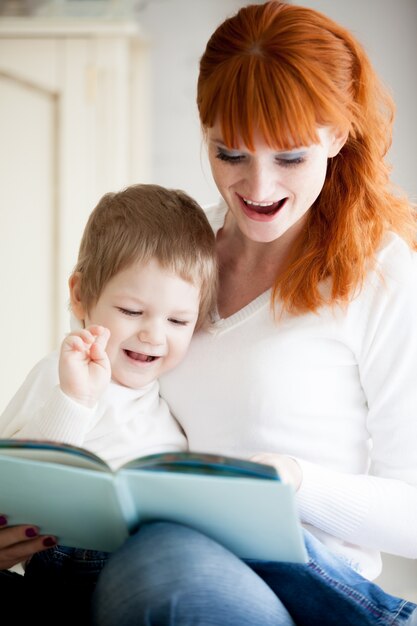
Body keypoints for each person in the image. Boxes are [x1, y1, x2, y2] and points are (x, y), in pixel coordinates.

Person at [1, 2, 417, 624]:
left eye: (290, 157)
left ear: (337, 133)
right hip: (129, 556)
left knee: (166, 565)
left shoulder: (380, 274)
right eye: (230, 154)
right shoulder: (176, 255)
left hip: (291, 582)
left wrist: (294, 483)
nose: (258, 186)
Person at [0, 183, 217, 620]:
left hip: (149, 556)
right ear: (81, 295)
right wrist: (75, 400)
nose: (154, 334)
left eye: (178, 320)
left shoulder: (166, 397)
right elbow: (15, 480)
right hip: (72, 558)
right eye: (132, 312)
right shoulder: (64, 373)